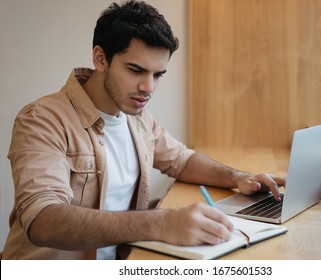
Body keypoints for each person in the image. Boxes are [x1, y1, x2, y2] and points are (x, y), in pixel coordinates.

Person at [2, 0, 285, 260]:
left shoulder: (136, 117)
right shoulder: (41, 119)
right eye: (136, 70)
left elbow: (181, 160)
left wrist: (238, 177)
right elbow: (43, 221)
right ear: (100, 59)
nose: (148, 88)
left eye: (157, 74)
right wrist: (161, 223)